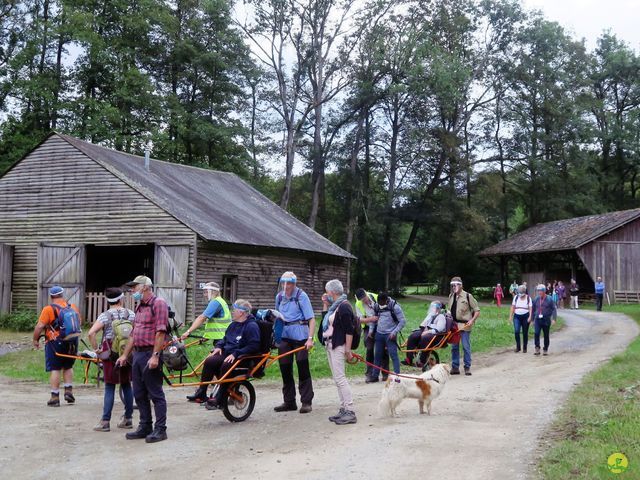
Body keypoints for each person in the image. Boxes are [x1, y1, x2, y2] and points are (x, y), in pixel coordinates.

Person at [116, 275, 169, 443]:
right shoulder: (140, 307)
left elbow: (161, 331)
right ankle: (145, 425)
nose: (133, 291)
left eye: (135, 287)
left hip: (150, 353)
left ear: (145, 287)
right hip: (137, 354)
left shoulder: (158, 304)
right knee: (138, 393)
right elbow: (133, 333)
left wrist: (155, 355)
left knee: (155, 393)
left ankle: (160, 430)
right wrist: (125, 355)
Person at [87, 287, 135, 431]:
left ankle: (105, 422)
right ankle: (128, 419)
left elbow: (91, 333)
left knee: (109, 386)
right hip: (127, 352)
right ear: (121, 299)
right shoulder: (131, 314)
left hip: (110, 353)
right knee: (126, 384)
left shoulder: (105, 316)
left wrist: (97, 350)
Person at [202, 299, 261, 410]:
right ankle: (201, 392)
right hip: (229, 354)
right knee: (210, 361)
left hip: (242, 357)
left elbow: (254, 346)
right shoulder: (233, 325)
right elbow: (224, 339)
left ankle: (219, 398)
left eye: (234, 310)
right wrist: (218, 346)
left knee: (225, 364)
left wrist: (236, 353)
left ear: (242, 313)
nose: (232, 312)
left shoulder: (251, 326)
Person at [273, 271, 315, 413]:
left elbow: (311, 319)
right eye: (283, 283)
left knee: (302, 368)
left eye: (289, 283)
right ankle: (289, 402)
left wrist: (310, 338)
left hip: (300, 336)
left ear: (294, 283)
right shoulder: (279, 297)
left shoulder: (301, 296)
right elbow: (278, 317)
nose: (286, 286)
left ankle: (306, 402)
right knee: (285, 368)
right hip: (285, 336)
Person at [182, 282, 232, 402]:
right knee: (213, 366)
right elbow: (215, 323)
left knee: (213, 365)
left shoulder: (216, 302)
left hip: (222, 341)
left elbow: (202, 318)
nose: (204, 294)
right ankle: (208, 392)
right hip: (220, 339)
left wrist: (188, 331)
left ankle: (223, 393)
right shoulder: (220, 301)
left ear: (212, 291)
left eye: (206, 292)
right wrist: (206, 336)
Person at [32, 285, 81, 407]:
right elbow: (79, 321)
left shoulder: (48, 309)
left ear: (51, 296)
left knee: (55, 368)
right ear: (62, 294)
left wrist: (35, 339)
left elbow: (39, 326)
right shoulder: (72, 307)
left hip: (55, 342)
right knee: (68, 366)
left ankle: (54, 397)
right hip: (72, 341)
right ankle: (68, 391)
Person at [321, 280, 357, 425]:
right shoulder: (334, 307)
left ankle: (350, 410)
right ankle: (343, 408)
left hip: (339, 346)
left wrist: (348, 350)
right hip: (330, 344)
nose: (326, 294)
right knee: (337, 379)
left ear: (332, 292)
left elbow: (350, 330)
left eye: (327, 291)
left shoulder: (344, 306)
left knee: (341, 379)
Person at [368, 292, 405, 382]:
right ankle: (375, 376)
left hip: (390, 335)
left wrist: (394, 332)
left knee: (393, 355)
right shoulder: (376, 307)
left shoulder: (395, 307)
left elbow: (402, 321)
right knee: (377, 355)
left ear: (386, 300)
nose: (380, 305)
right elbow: (373, 319)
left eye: (382, 303)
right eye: (379, 303)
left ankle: (397, 376)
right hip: (379, 334)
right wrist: (371, 330)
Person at [448, 276, 480, 376]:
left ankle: (467, 367)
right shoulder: (451, 296)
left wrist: (472, 320)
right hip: (454, 326)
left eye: (456, 285)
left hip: (465, 325)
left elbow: (477, 310)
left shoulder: (467, 296)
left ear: (461, 285)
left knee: (466, 347)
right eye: (453, 285)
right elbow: (449, 309)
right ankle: (455, 367)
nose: (454, 287)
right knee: (454, 347)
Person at [354, 288, 388, 382]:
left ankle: (385, 374)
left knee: (383, 348)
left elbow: (386, 311)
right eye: (362, 299)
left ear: (366, 293)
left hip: (381, 325)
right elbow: (359, 319)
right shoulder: (358, 304)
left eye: (365, 297)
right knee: (369, 349)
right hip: (368, 327)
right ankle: (370, 374)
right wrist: (371, 319)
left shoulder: (376, 297)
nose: (364, 300)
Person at [403, 301, 446, 367]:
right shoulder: (431, 315)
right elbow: (423, 324)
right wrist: (424, 328)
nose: (433, 309)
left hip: (435, 334)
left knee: (425, 338)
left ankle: (422, 360)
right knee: (413, 336)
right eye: (432, 308)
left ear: (439, 309)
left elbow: (439, 329)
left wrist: (428, 331)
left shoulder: (441, 317)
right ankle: (409, 359)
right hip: (426, 330)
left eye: (435, 308)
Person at [531, 284, 557, 355]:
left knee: (546, 335)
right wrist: (532, 320)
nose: (539, 292)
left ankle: (545, 348)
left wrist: (554, 319)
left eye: (541, 291)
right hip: (537, 320)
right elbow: (533, 309)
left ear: (544, 291)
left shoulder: (550, 299)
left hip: (546, 320)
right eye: (538, 291)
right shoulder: (536, 299)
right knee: (536, 333)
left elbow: (554, 309)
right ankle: (537, 348)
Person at [508, 285, 532, 353]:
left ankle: (525, 347)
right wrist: (510, 316)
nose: (521, 295)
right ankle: (518, 347)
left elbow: (530, 308)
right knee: (516, 331)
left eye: (522, 293)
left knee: (525, 332)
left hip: (526, 316)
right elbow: (512, 307)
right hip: (517, 317)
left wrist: (530, 316)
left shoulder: (528, 298)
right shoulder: (516, 297)